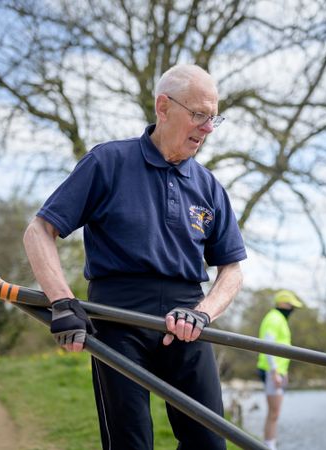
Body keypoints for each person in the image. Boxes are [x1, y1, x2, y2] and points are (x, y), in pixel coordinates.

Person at [24, 64, 247, 450]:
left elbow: (231, 270)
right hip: (117, 319)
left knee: (210, 443)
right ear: (163, 107)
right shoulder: (108, 162)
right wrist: (62, 301)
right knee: (131, 443)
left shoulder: (209, 186)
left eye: (213, 118)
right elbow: (39, 231)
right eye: (198, 115)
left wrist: (204, 312)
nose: (207, 128)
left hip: (187, 319)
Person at [256, 290, 303, 450]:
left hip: (276, 371)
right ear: (282, 304)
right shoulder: (274, 318)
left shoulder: (279, 318)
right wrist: (275, 372)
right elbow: (268, 345)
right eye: (291, 305)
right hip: (271, 371)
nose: (293, 309)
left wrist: (284, 371)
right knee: (274, 412)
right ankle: (269, 446)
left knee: (274, 412)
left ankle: (270, 445)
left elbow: (283, 347)